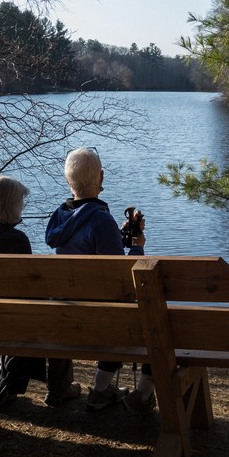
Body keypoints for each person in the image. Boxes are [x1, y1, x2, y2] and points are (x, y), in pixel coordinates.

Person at [45, 148, 156, 414]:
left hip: (69, 317)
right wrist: (138, 247)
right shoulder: (100, 220)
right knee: (158, 325)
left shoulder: (59, 218)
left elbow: (83, 244)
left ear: (68, 181)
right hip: (101, 320)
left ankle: (102, 390)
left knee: (113, 312)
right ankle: (141, 395)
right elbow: (122, 282)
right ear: (101, 177)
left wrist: (114, 235)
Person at [0, 174, 81, 410]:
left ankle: (0, 387)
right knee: (59, 316)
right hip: (11, 320)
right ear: (7, 204)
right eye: (19, 202)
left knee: (5, 313)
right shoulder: (16, 240)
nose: (22, 206)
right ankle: (60, 389)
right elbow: (30, 291)